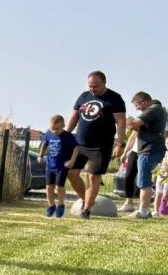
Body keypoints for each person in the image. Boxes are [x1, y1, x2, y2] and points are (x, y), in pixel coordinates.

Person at [65, 70, 127, 218]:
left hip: (100, 147)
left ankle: (86, 210)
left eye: (96, 86)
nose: (92, 89)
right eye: (90, 86)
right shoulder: (83, 96)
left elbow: (121, 122)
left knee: (93, 177)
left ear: (104, 83)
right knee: (71, 173)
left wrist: (119, 144)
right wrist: (65, 135)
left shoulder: (114, 98)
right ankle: (86, 200)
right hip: (79, 144)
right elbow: (74, 117)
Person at [127, 92, 166, 219]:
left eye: (137, 105)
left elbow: (133, 125)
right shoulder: (158, 110)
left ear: (143, 101)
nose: (137, 109)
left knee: (144, 182)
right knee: (149, 181)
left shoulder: (152, 110)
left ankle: (143, 211)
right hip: (154, 149)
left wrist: (129, 122)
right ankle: (144, 210)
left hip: (148, 150)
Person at [37, 114, 77, 217]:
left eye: (57, 129)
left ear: (63, 125)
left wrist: (72, 161)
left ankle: (60, 205)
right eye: (52, 129)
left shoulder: (68, 136)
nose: (55, 131)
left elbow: (76, 148)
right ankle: (51, 206)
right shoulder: (48, 134)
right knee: (49, 187)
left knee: (59, 187)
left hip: (62, 167)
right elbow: (44, 145)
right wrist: (40, 156)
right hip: (50, 166)